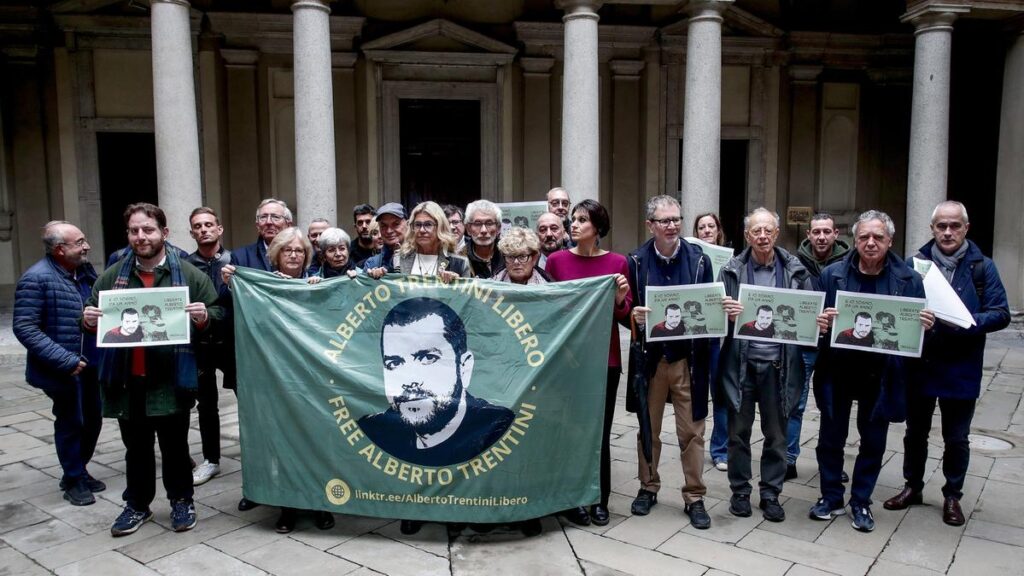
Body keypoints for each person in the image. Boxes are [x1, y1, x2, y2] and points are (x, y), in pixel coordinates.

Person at [82, 203, 223, 537]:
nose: (141, 236)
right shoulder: (113, 276)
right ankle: (137, 505)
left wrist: (205, 317)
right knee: (136, 449)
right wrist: (86, 320)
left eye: (148, 229)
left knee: (175, 448)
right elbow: (90, 311)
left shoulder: (188, 275)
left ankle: (181, 501)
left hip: (171, 377)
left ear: (164, 233)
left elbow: (218, 313)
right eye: (134, 230)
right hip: (127, 380)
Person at [883, 201, 1009, 526]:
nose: (948, 232)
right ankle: (912, 486)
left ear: (966, 228)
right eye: (942, 226)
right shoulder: (914, 265)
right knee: (915, 433)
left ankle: (953, 495)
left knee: (957, 437)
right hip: (922, 365)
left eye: (954, 226)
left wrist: (967, 322)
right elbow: (899, 307)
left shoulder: (983, 267)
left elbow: (1001, 313)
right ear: (932, 229)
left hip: (961, 366)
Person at [810, 210, 933, 533]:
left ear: (890, 241)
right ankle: (831, 496)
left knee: (873, 440)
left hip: (881, 374)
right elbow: (816, 323)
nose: (870, 242)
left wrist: (924, 327)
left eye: (878, 237)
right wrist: (821, 324)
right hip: (838, 369)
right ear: (855, 239)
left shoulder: (908, 280)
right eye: (864, 236)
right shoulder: (833, 275)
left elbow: (916, 337)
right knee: (830, 439)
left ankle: (861, 500)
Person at [358, 297, 515, 534]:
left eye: (427, 358)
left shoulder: (498, 426)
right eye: (394, 363)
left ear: (464, 367)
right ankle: (413, 510)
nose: (410, 379)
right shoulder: (374, 431)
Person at [718, 208, 814, 523]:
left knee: (777, 435)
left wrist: (818, 321)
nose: (762, 236)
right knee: (738, 434)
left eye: (768, 230)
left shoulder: (796, 271)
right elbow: (714, 318)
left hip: (779, 366)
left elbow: (810, 315)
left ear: (776, 233)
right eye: (756, 230)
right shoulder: (731, 270)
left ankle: (771, 493)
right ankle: (740, 493)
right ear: (747, 236)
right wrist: (725, 313)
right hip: (741, 365)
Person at [626, 195, 714, 529]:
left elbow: (709, 308)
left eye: (676, 219)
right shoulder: (636, 261)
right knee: (648, 427)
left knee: (692, 432)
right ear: (651, 225)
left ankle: (695, 495)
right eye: (665, 220)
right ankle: (648, 486)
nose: (673, 225)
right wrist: (634, 316)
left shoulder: (699, 260)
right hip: (651, 360)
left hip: (687, 360)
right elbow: (627, 310)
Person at [546, 199, 631, 527]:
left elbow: (625, 316)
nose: (574, 225)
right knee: (568, 432)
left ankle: (600, 499)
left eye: (582, 220)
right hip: (566, 362)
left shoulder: (617, 263)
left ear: (597, 228)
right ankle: (573, 498)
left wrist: (622, 299)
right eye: (574, 219)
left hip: (604, 360)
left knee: (600, 433)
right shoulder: (555, 262)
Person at [13, 221, 104, 506]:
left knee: (93, 419)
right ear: (60, 250)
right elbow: (25, 327)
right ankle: (74, 479)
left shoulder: (84, 273)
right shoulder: (36, 279)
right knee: (70, 422)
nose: (86, 246)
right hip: (62, 369)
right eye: (79, 242)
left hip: (90, 363)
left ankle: (78, 469)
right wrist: (65, 360)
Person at [222, 198, 292, 512]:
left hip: (292, 357)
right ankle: (257, 486)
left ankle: (295, 483)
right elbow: (225, 300)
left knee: (294, 422)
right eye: (263, 217)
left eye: (275, 217)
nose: (268, 222)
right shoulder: (240, 256)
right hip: (253, 356)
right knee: (255, 424)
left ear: (287, 223)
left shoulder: (301, 253)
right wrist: (226, 282)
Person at [492, 227, 548, 537]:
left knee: (530, 445)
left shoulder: (551, 288)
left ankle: (529, 509)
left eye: (522, 256)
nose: (516, 262)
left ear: (535, 257)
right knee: (500, 442)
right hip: (500, 378)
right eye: (510, 257)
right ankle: (497, 507)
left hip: (536, 379)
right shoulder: (487, 288)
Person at [790, 212, 850, 480]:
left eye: (827, 231)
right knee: (794, 404)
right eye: (817, 232)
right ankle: (789, 459)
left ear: (836, 234)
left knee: (832, 407)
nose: (822, 237)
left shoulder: (851, 264)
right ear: (809, 235)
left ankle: (830, 462)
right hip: (804, 344)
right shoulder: (795, 263)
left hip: (836, 348)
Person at [185, 207, 233, 487]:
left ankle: (254, 453)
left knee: (247, 400)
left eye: (208, 225)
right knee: (206, 405)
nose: (203, 229)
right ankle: (211, 459)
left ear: (219, 229)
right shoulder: (184, 264)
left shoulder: (233, 260)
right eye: (197, 226)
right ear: (192, 232)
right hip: (199, 343)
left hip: (231, 342)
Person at [692, 212, 730, 472]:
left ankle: (720, 449)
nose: (706, 230)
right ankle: (694, 445)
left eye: (711, 226)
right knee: (695, 393)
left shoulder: (731, 261)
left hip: (719, 336)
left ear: (718, 231)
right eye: (701, 227)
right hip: (696, 336)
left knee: (721, 394)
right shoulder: (691, 259)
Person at [371, 201, 470, 280]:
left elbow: (464, 301)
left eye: (428, 224)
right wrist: (377, 277)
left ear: (440, 227)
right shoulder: (399, 259)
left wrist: (457, 285)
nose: (422, 230)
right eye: (418, 225)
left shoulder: (459, 263)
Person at [461, 200, 505, 278]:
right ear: (468, 229)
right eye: (477, 224)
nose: (483, 230)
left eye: (489, 223)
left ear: (498, 228)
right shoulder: (459, 260)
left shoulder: (509, 255)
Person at [362, 203, 407, 274]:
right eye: (384, 226)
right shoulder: (373, 264)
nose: (389, 231)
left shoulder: (420, 257)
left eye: (396, 224)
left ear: (407, 224)